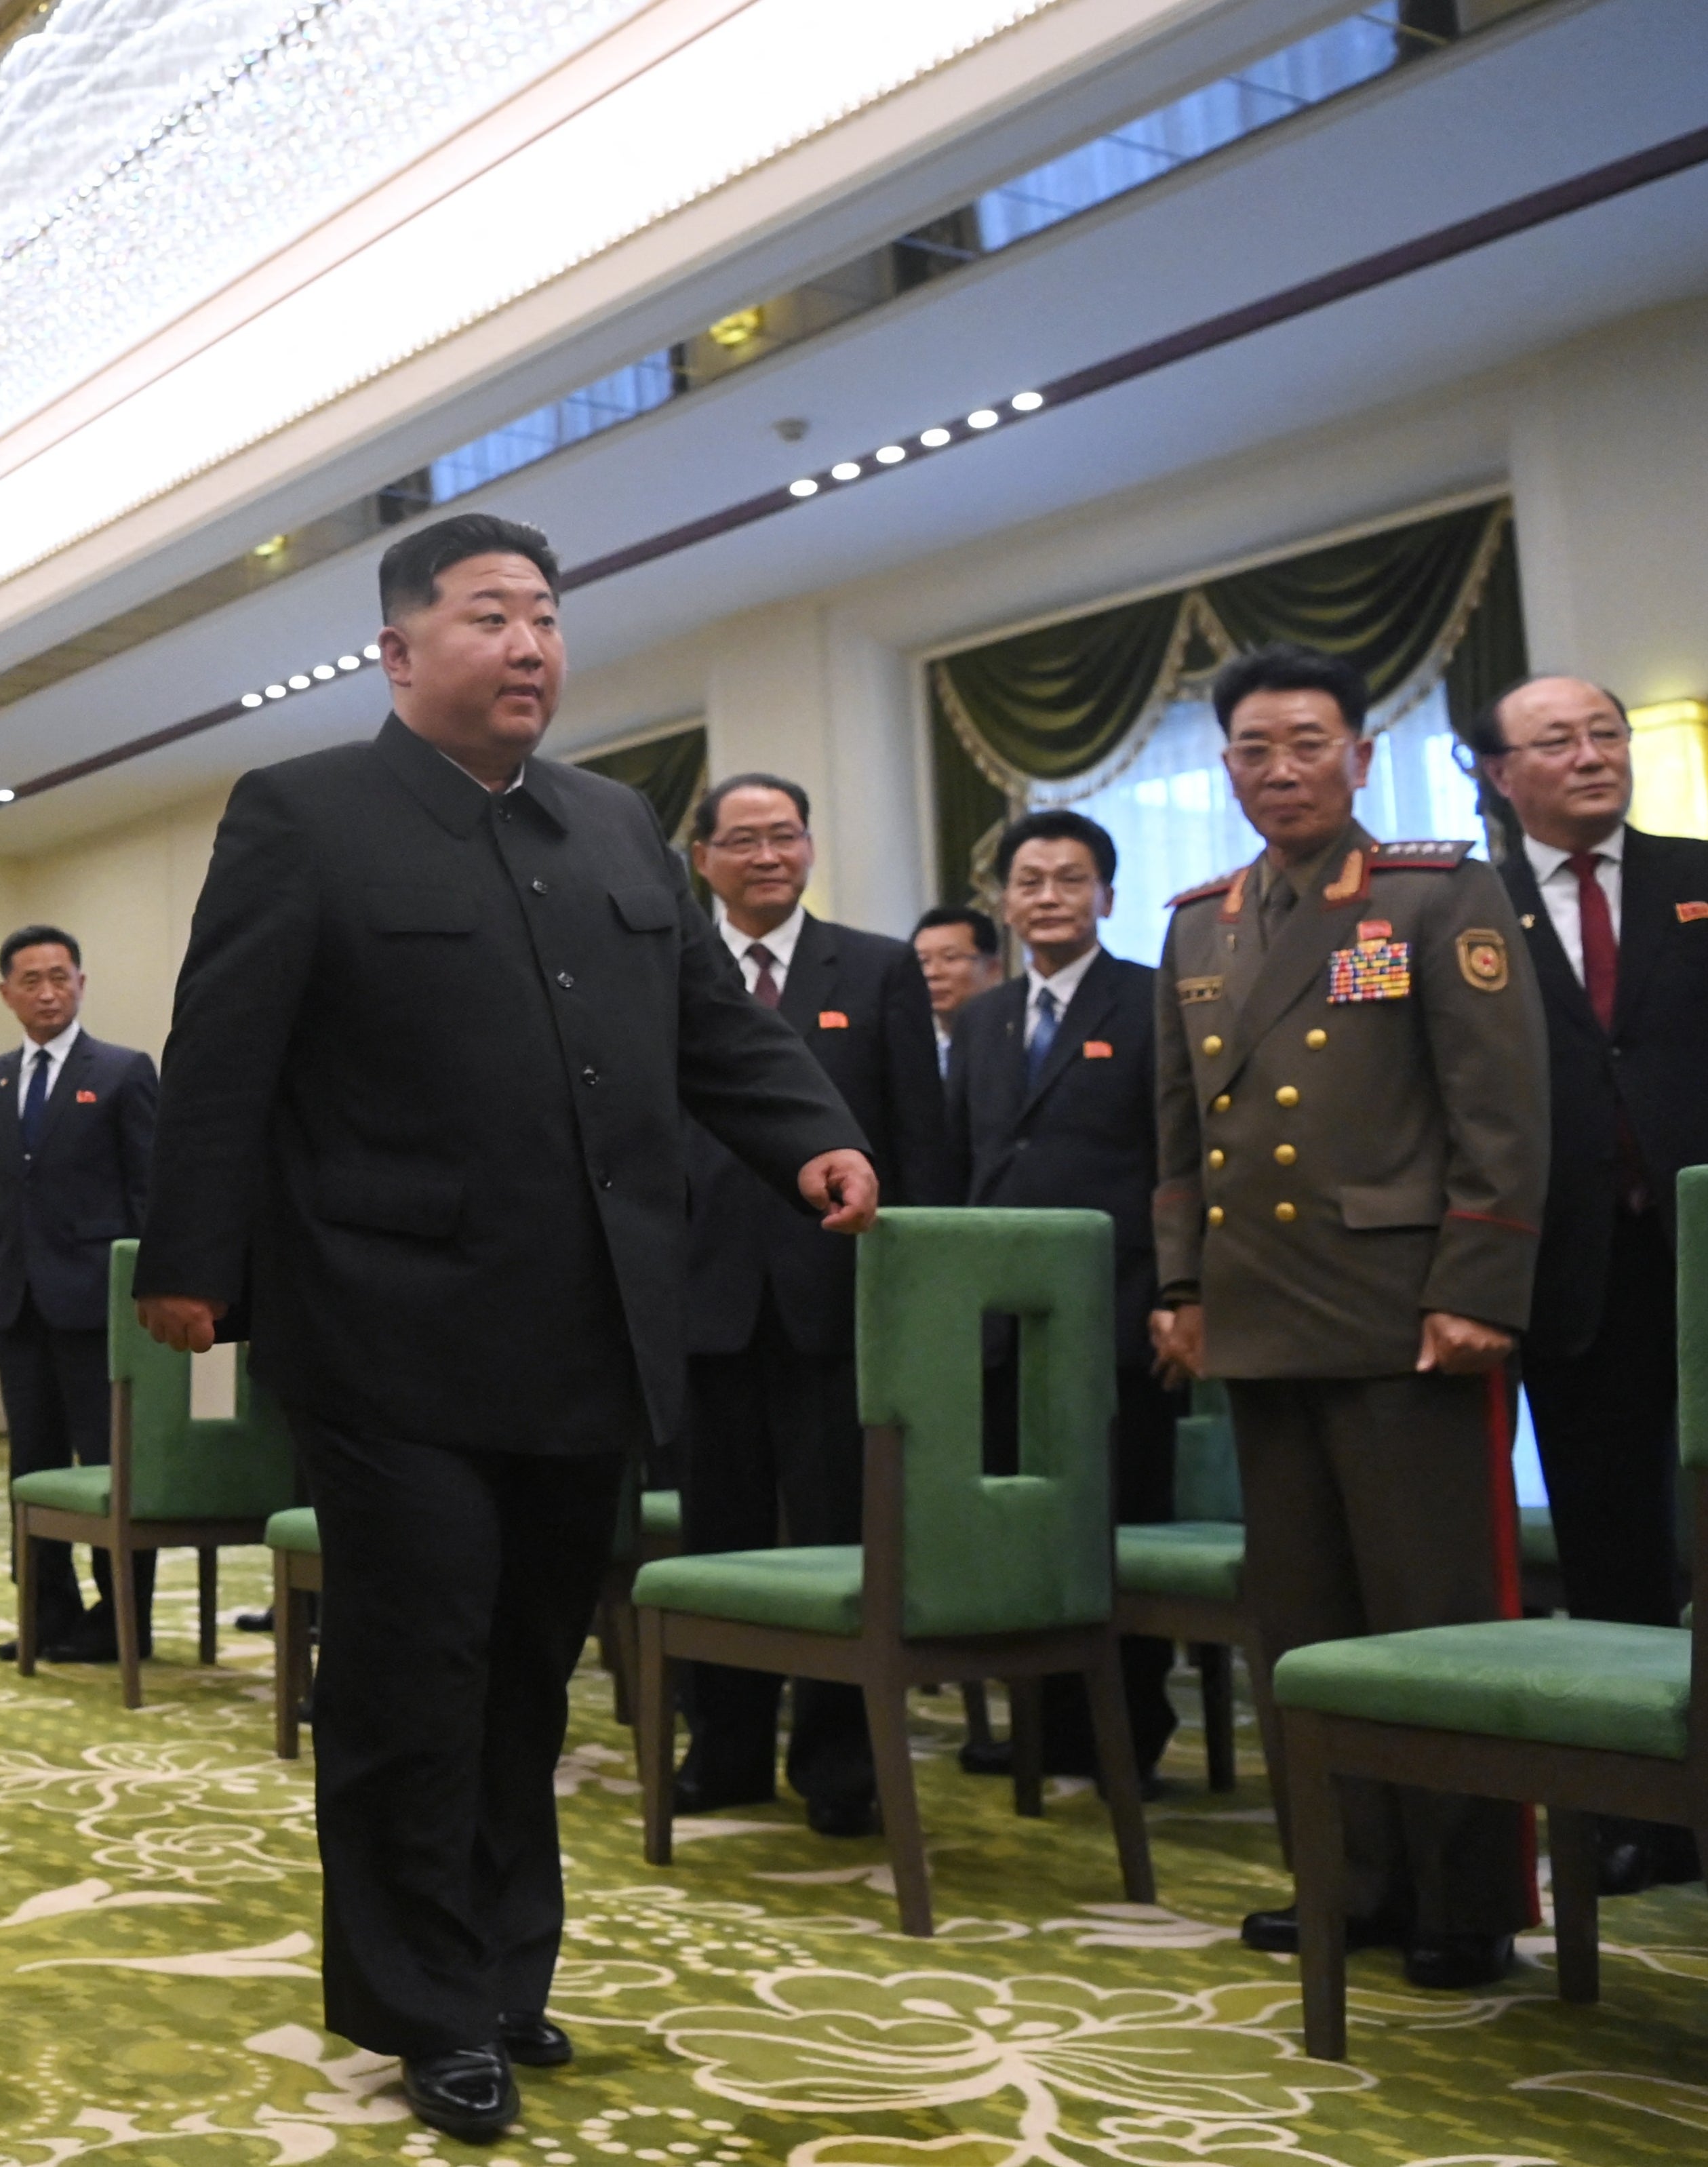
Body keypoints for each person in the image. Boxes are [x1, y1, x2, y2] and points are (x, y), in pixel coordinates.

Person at [134, 512, 873, 2143]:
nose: (530, 645)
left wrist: (812, 1129)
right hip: (389, 1331)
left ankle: (500, 1968)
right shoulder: (304, 815)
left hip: (590, 1331)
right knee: (417, 1664)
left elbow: (705, 1027)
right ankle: (421, 1999)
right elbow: (224, 1051)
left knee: (533, 1665)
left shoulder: (615, 825)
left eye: (546, 614)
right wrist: (191, 1266)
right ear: (401, 653)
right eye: (490, 618)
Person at [1150, 641, 1547, 1991]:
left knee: (1431, 1618)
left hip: (1403, 1317)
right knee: (1306, 1624)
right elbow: (1174, 1133)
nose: (1280, 771)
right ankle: (1351, 1877)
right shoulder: (1197, 920)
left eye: (1307, 743)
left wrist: (1476, 1288)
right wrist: (1180, 1287)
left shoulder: (1437, 894)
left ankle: (1466, 1893)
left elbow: (1497, 1111)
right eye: (1254, 749)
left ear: (1360, 755)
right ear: (1226, 766)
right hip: (1262, 1319)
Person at [672, 772, 949, 1831]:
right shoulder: (670, 970)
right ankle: (723, 1748)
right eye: (740, 840)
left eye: (783, 836)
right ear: (703, 858)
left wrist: (911, 1304)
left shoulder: (875, 971)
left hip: (837, 1305)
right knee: (718, 1540)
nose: (765, 856)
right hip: (702, 1302)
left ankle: (840, 1763)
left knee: (842, 1536)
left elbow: (916, 1147)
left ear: (810, 848)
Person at [1471, 674, 1708, 1895]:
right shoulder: (1465, 905)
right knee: (1612, 1541)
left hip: (1702, 1244)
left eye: (1603, 734)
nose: (1588, 756)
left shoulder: (1695, 874)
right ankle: (1648, 1817)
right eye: (1553, 742)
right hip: (1569, 1262)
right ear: (1501, 775)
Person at [947, 808, 1179, 1791]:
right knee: (1021, 1540)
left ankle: (1129, 1729)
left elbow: (1175, 1159)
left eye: (1069, 880)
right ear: (1002, 901)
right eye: (1029, 881)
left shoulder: (1149, 1000)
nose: (1047, 897)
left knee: (1116, 1530)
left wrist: (1178, 1290)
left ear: (1106, 898)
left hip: (1120, 1318)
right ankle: (1038, 1725)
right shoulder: (982, 1018)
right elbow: (964, 1164)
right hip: (1002, 1322)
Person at [0, 923, 159, 1664]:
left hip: (101, 1307)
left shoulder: (123, 1071)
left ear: (81, 982)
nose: (48, 991)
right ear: (8, 992)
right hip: (18, 1305)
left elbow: (150, 1196)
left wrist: (148, 1294)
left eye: (61, 976)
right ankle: (47, 1612)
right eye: (32, 979)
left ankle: (119, 1622)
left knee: (111, 1464)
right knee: (31, 1463)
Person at [912, 904, 1003, 1077]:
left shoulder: (1015, 1043)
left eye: (950, 958)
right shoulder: (912, 1050)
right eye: (923, 961)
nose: (932, 973)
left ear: (993, 969)